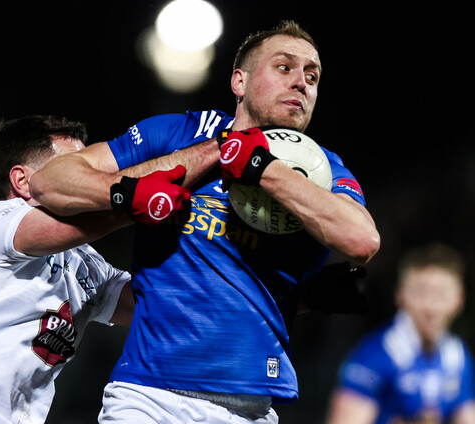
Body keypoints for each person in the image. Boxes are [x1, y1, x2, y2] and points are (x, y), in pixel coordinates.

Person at [33, 20, 381, 423]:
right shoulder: (184, 133)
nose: (301, 82)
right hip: (150, 399)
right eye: (284, 67)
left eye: (312, 76)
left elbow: (362, 240)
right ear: (239, 81)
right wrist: (129, 192)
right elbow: (49, 182)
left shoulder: (326, 169)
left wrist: (262, 167)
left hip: (252, 408)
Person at [0, 115, 192, 423]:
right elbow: (95, 220)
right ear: (22, 181)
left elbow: (154, 304)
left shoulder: (82, 262)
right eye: (72, 166)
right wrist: (143, 192)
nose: (88, 176)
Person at [326, 243, 475, 424]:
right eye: (421, 293)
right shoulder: (373, 355)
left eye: (442, 294)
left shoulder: (457, 356)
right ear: (400, 295)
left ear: (460, 299)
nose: (431, 307)